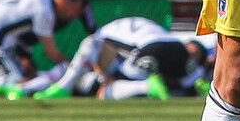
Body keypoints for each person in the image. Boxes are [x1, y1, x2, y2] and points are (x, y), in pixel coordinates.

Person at [0, 0, 95, 98]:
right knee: (18, 86)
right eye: (76, 12)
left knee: (27, 79)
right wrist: (73, 70)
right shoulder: (45, 11)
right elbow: (52, 53)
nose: (72, 17)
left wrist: (25, 58)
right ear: (71, 3)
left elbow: (22, 35)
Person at [34, 15, 198, 100]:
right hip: (177, 46)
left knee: (105, 91)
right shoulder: (123, 25)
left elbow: (98, 50)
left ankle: (148, 87)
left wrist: (104, 77)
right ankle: (197, 84)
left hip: (149, 50)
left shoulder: (101, 36)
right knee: (184, 83)